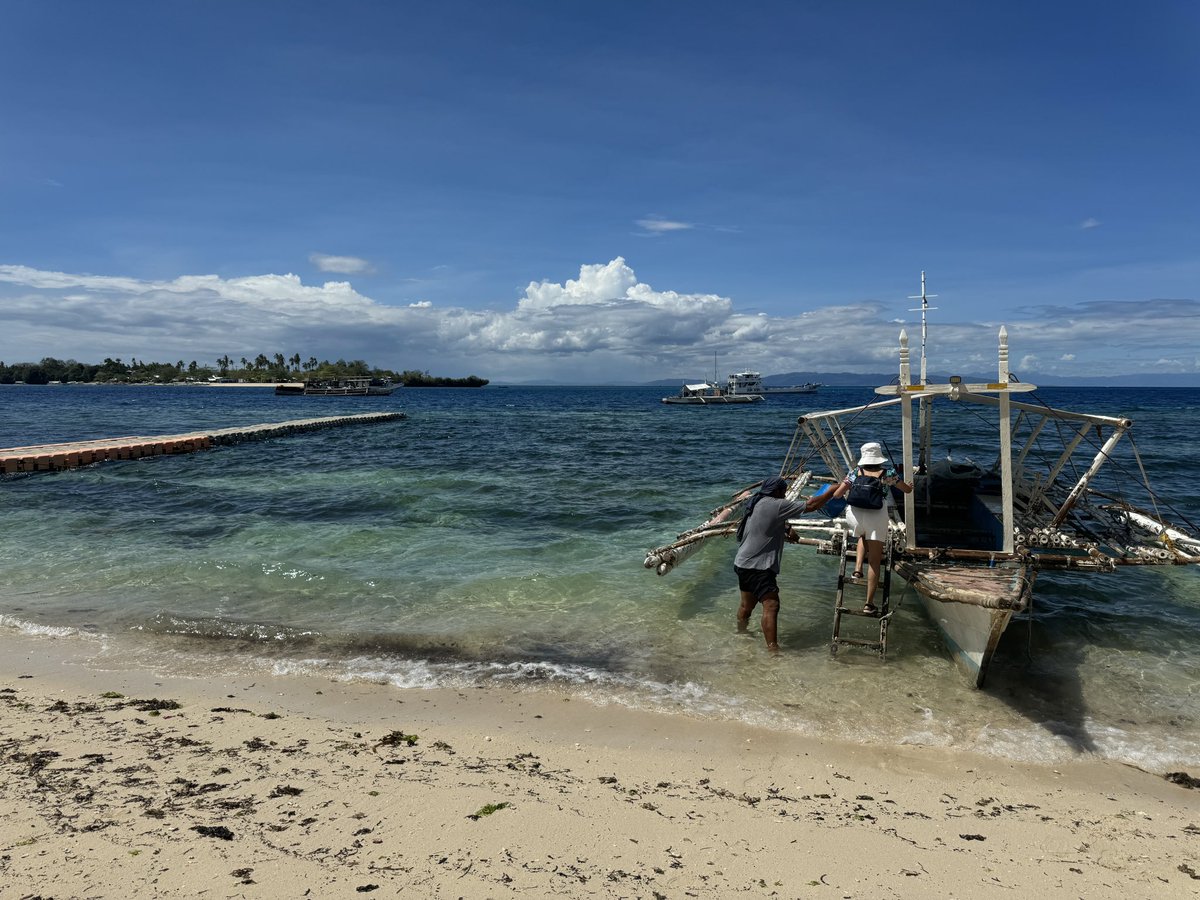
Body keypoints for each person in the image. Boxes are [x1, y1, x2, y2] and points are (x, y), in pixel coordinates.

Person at [810, 442, 912, 615]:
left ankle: (857, 570)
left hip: (855, 515)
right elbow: (906, 490)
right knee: (874, 561)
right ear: (879, 457)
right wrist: (910, 485)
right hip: (876, 516)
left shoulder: (855, 472)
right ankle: (869, 604)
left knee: (862, 536)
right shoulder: (889, 473)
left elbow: (837, 494)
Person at [732, 475, 814, 651]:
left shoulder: (756, 501)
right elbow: (813, 505)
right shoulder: (775, 504)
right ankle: (773, 650)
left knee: (747, 606)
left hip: (743, 563)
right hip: (758, 566)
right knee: (771, 605)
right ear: (776, 491)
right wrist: (832, 491)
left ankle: (740, 633)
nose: (784, 497)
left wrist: (786, 528)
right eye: (783, 492)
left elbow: (767, 521)